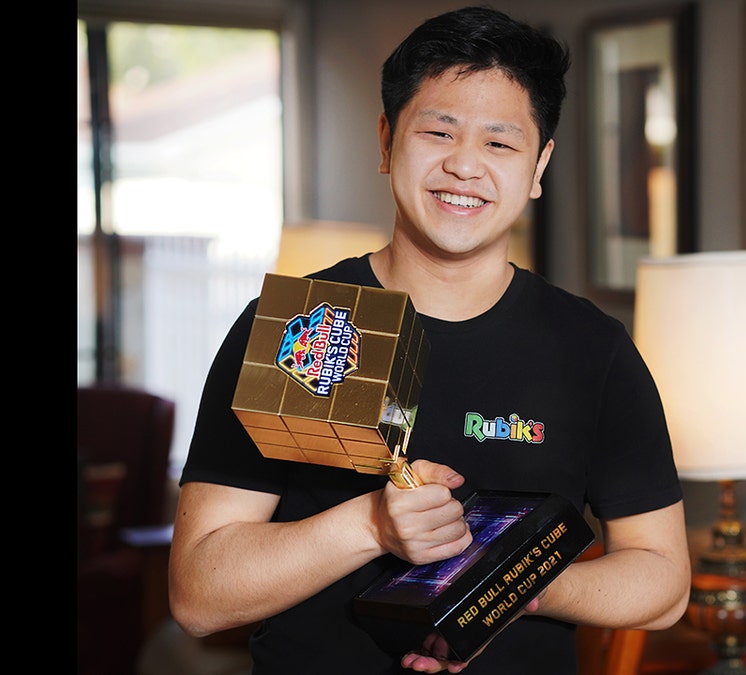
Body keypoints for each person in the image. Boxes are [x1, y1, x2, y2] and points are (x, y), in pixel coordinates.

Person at [168, 6, 691, 674]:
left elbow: (664, 580)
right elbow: (197, 595)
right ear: (386, 141)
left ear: (539, 165)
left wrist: (501, 588)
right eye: (438, 131)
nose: (465, 165)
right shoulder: (296, 327)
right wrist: (370, 526)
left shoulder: (593, 349)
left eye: (500, 144)